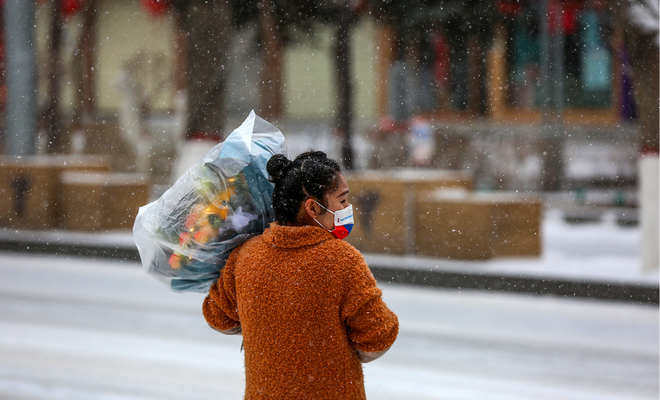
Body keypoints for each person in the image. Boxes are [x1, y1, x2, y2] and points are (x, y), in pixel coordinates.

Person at [202, 150, 399, 399]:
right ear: (312, 208)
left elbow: (217, 316)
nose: (348, 208)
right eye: (341, 200)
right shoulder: (341, 260)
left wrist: (269, 328)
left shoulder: (245, 257)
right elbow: (378, 335)